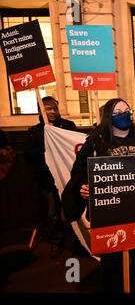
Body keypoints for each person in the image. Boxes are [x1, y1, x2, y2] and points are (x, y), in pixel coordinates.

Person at [62, 98, 135, 293]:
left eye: (127, 110)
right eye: (118, 112)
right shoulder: (96, 141)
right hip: (110, 213)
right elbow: (78, 172)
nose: (125, 114)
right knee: (112, 263)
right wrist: (82, 186)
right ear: (108, 117)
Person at [24, 96, 78, 259]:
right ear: (41, 111)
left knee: (73, 212)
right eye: (48, 109)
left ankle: (77, 242)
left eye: (55, 108)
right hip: (47, 181)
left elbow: (76, 146)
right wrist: (48, 141)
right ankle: (57, 242)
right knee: (52, 214)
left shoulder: (68, 126)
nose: (52, 111)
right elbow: (30, 154)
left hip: (68, 179)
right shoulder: (34, 132)